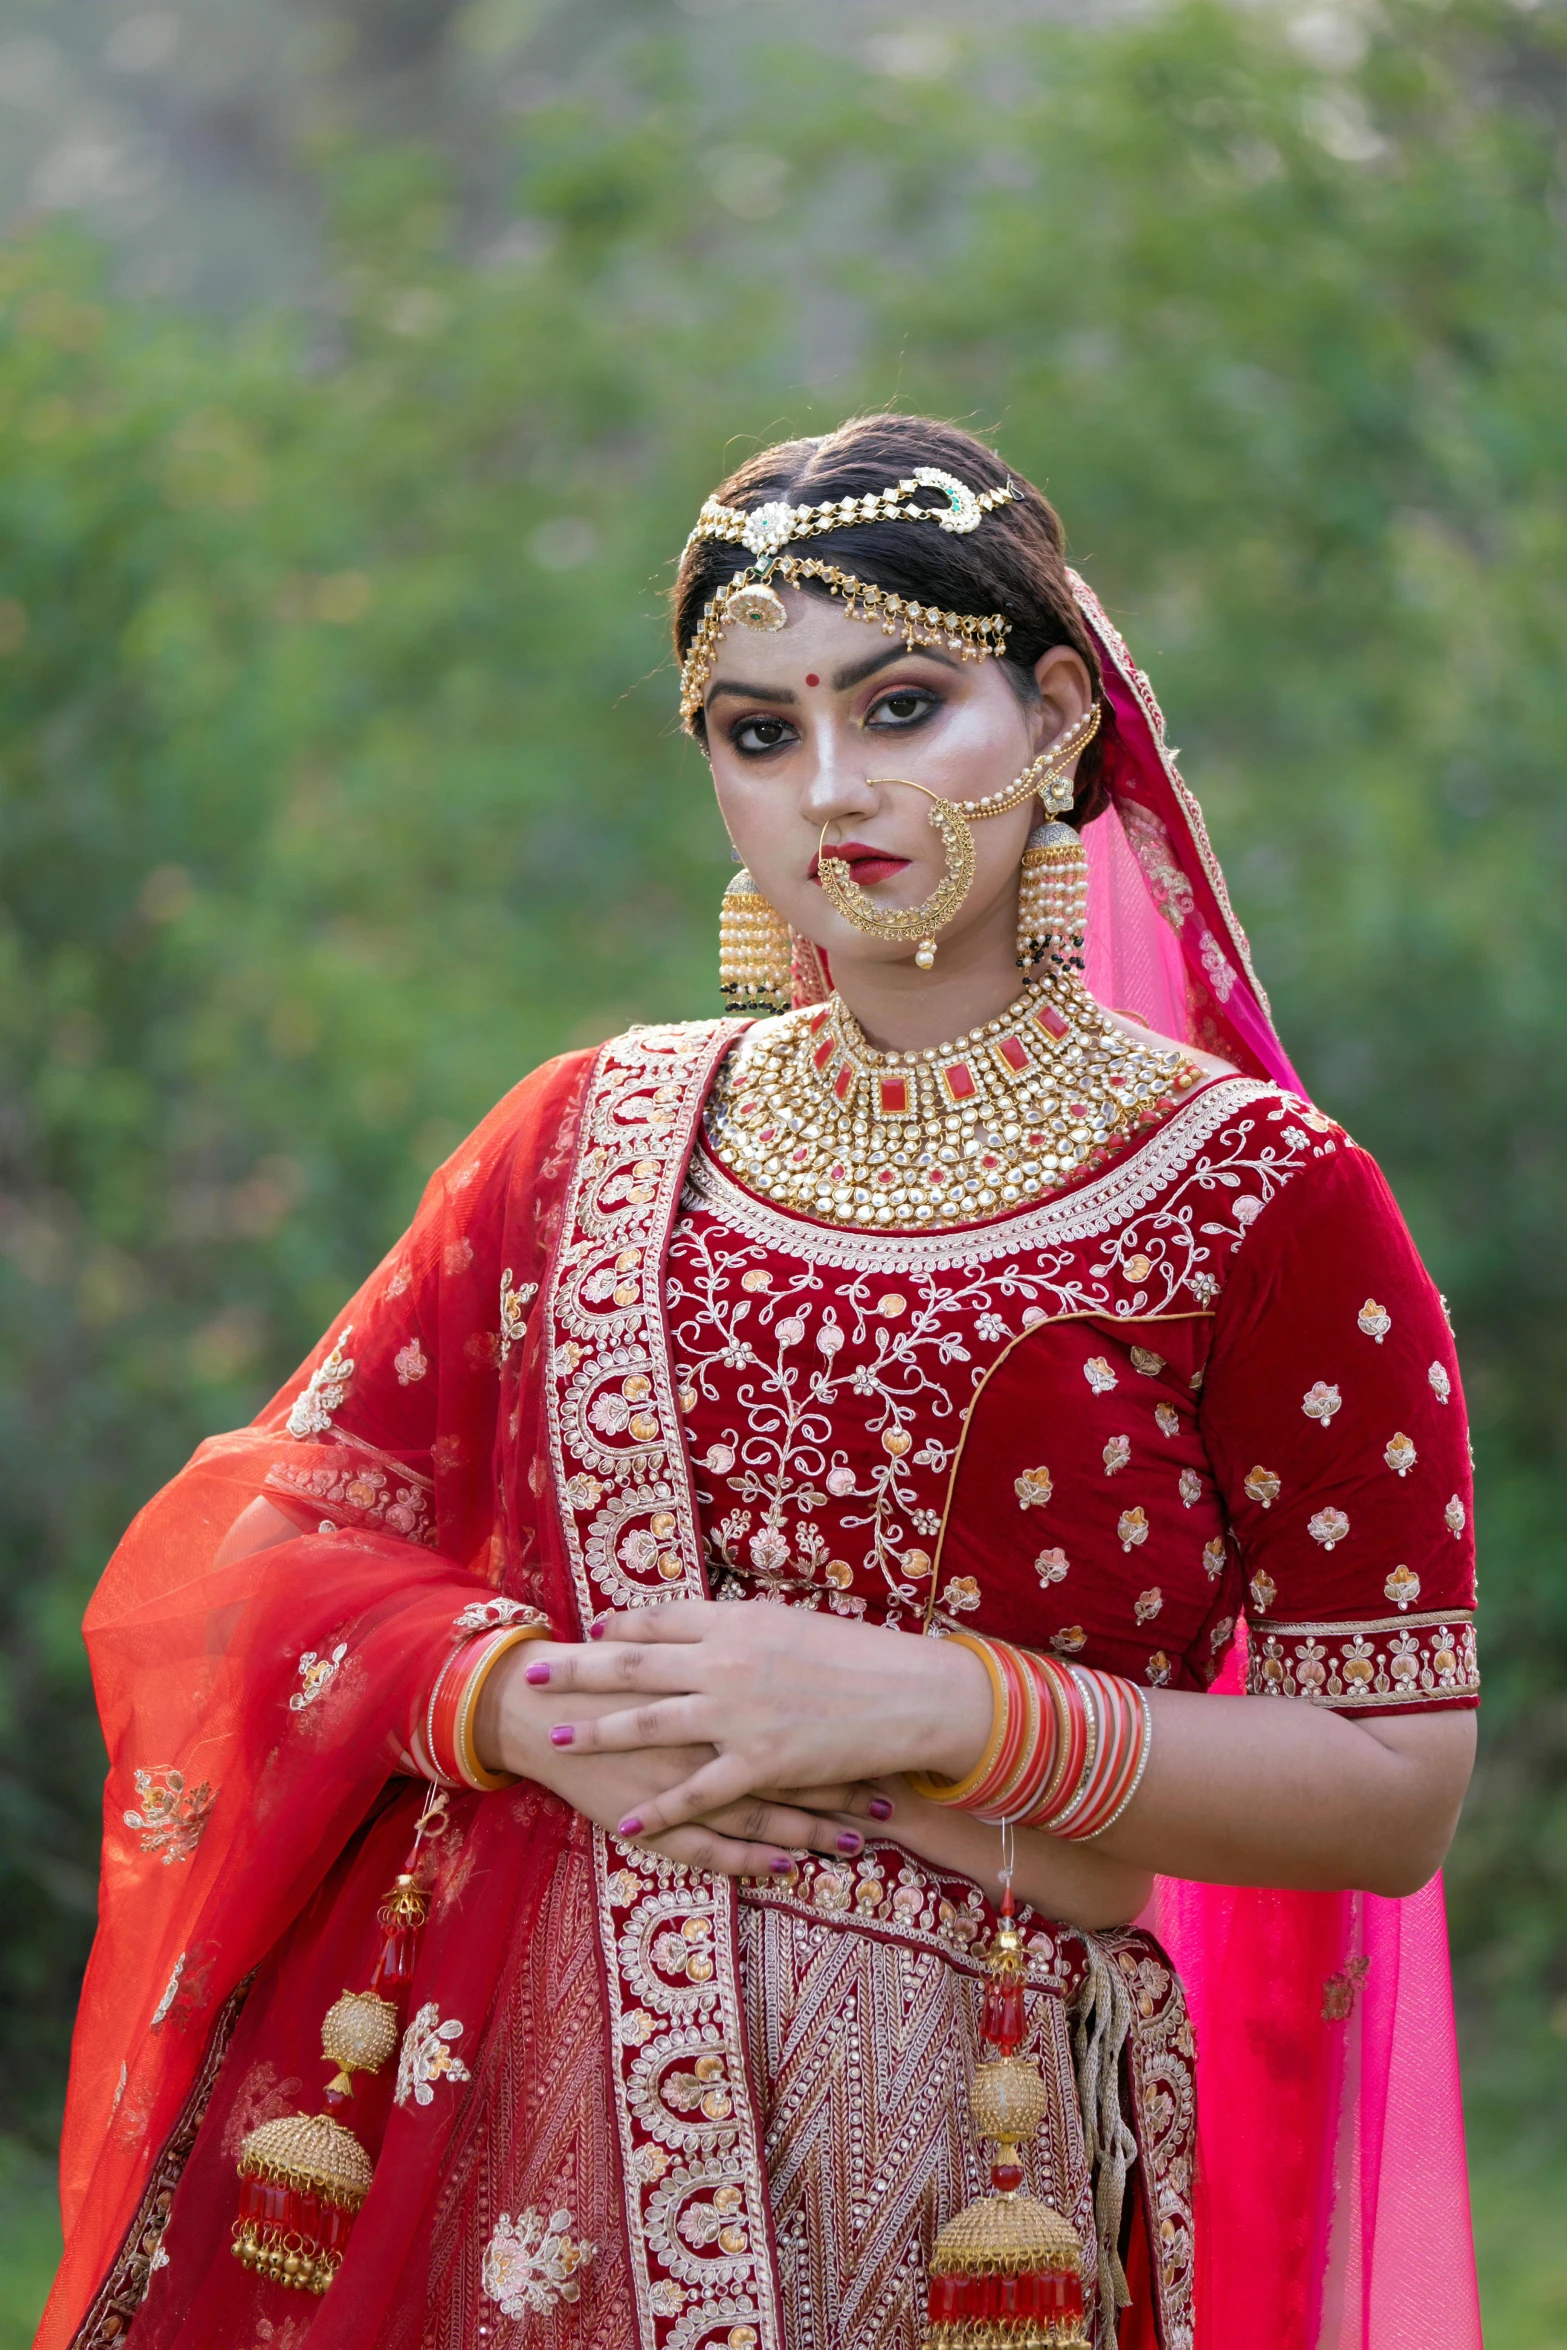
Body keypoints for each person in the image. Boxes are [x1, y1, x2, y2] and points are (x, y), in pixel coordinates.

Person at [39, 416, 1482, 2350]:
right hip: (495, 2119)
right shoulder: (584, 1135)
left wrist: (935, 1700)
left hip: (964, 2170)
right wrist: (517, 1699)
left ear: (1057, 711)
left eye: (899, 706)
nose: (831, 792)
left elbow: (1393, 1783)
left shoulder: (1260, 1199)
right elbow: (250, 1548)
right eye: (756, 732)